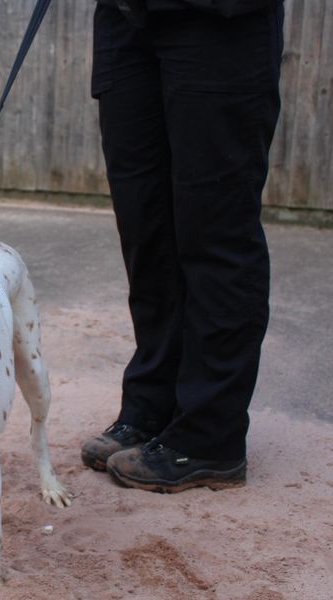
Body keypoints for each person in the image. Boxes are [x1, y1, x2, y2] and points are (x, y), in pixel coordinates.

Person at [81, 0, 284, 492]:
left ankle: (209, 434)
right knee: (145, 230)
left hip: (219, 21)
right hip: (125, 19)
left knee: (216, 229)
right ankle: (152, 406)